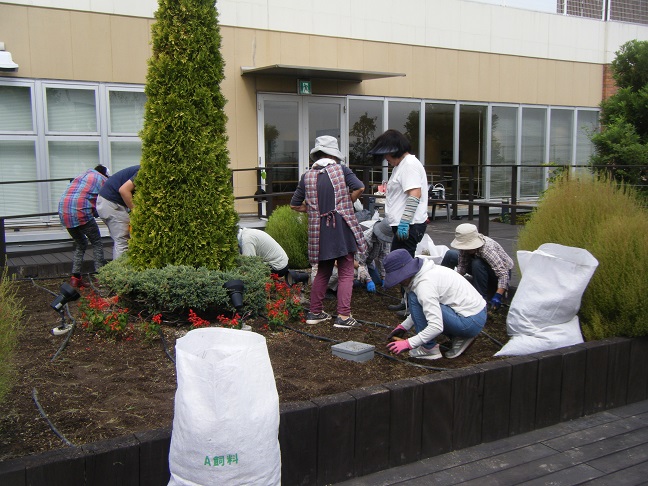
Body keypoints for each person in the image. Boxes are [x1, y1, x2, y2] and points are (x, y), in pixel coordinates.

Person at [290, 135, 366, 329]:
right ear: (334, 154)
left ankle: (315, 312)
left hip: (319, 231)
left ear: (316, 155)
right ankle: (343, 316)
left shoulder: (307, 176)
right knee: (346, 270)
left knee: (323, 270)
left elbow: (294, 205)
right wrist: (347, 201)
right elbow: (360, 187)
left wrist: (312, 209)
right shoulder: (341, 170)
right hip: (341, 225)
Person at [383, 249, 487, 360]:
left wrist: (408, 343)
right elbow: (424, 308)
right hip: (474, 315)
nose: (399, 282)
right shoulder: (426, 272)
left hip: (470, 321)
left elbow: (436, 326)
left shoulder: (424, 286)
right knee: (418, 300)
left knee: (415, 298)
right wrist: (404, 327)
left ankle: (429, 349)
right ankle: (460, 337)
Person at [368, 129, 429, 312]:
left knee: (403, 267)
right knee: (401, 265)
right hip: (404, 226)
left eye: (386, 153)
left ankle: (413, 307)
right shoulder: (400, 166)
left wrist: (404, 222)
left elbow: (414, 194)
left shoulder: (409, 164)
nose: (385, 157)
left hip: (408, 227)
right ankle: (407, 302)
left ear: (394, 149)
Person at [441, 223, 514, 311]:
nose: (465, 249)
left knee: (477, 263)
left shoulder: (487, 249)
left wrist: (498, 295)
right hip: (480, 269)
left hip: (497, 275)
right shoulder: (464, 249)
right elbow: (462, 266)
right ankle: (442, 288)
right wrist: (455, 283)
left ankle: (482, 301)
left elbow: (503, 274)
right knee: (451, 255)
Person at [58, 164, 109, 288]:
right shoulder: (102, 180)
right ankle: (99, 277)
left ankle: (75, 278)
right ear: (105, 174)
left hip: (64, 213)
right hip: (81, 212)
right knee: (96, 242)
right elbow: (103, 202)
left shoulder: (82, 176)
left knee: (81, 243)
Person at [96, 165, 139, 260]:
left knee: (121, 239)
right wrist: (136, 211)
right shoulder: (143, 171)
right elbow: (124, 190)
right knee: (123, 240)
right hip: (112, 203)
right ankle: (120, 273)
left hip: (108, 202)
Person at [358, 218, 392, 292]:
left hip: (369, 260)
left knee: (377, 281)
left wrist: (384, 276)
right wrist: (368, 280)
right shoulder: (366, 238)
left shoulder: (387, 236)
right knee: (359, 282)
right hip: (355, 262)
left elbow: (384, 257)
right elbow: (361, 262)